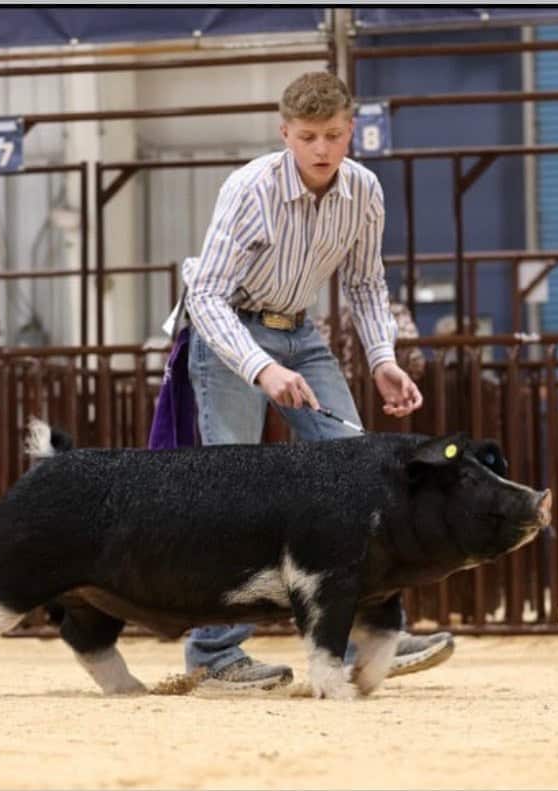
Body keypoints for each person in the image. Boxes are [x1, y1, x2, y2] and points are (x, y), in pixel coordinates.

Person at [176, 71, 454, 690]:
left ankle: (371, 635)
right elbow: (209, 295)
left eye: (333, 134)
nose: (322, 149)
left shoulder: (365, 190)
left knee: (356, 476)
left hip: (303, 332)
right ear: (285, 135)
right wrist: (261, 367)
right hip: (231, 335)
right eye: (308, 136)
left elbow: (363, 283)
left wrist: (383, 359)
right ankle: (213, 656)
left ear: (351, 130)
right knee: (233, 490)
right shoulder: (248, 188)